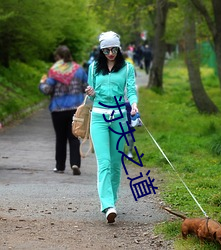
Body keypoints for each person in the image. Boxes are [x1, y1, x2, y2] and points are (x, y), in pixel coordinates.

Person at [85, 31, 138, 223]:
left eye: (114, 49)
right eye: (106, 50)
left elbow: (131, 90)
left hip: (119, 118)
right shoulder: (94, 68)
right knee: (104, 162)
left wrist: (133, 104)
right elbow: (91, 97)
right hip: (98, 117)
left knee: (116, 164)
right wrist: (90, 92)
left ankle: (112, 201)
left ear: (119, 48)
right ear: (101, 50)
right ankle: (107, 205)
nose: (110, 53)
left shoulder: (127, 68)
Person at [39, 45, 88, 175]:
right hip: (75, 109)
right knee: (73, 137)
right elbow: (86, 87)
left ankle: (60, 166)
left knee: (60, 138)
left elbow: (47, 90)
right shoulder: (79, 70)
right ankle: (75, 163)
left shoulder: (54, 71)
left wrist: (42, 83)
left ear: (58, 57)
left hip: (58, 109)